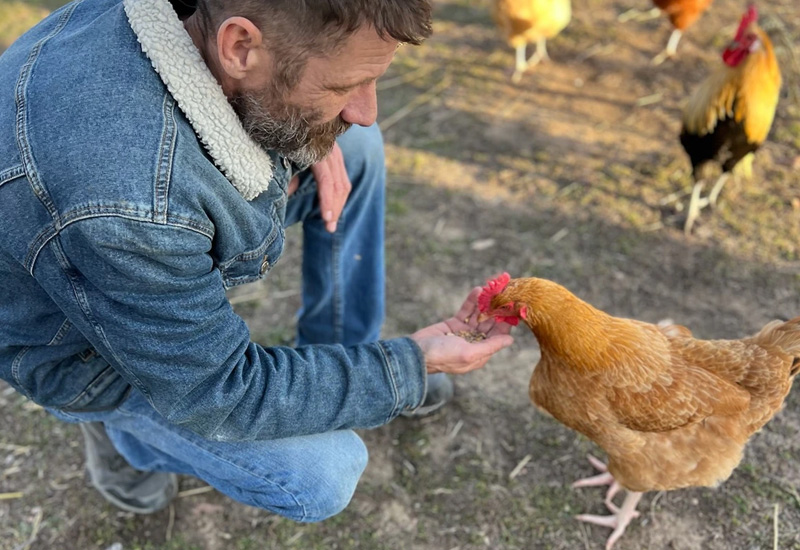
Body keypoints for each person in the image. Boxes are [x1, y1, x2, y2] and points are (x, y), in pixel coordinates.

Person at [0, 0, 514, 521]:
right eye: (343, 87)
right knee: (321, 473)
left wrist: (306, 131)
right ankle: (123, 438)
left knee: (357, 149)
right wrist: (409, 363)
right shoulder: (127, 205)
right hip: (81, 350)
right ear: (239, 47)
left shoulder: (188, 20)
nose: (365, 109)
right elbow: (224, 393)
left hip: (116, 234)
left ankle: (339, 361)